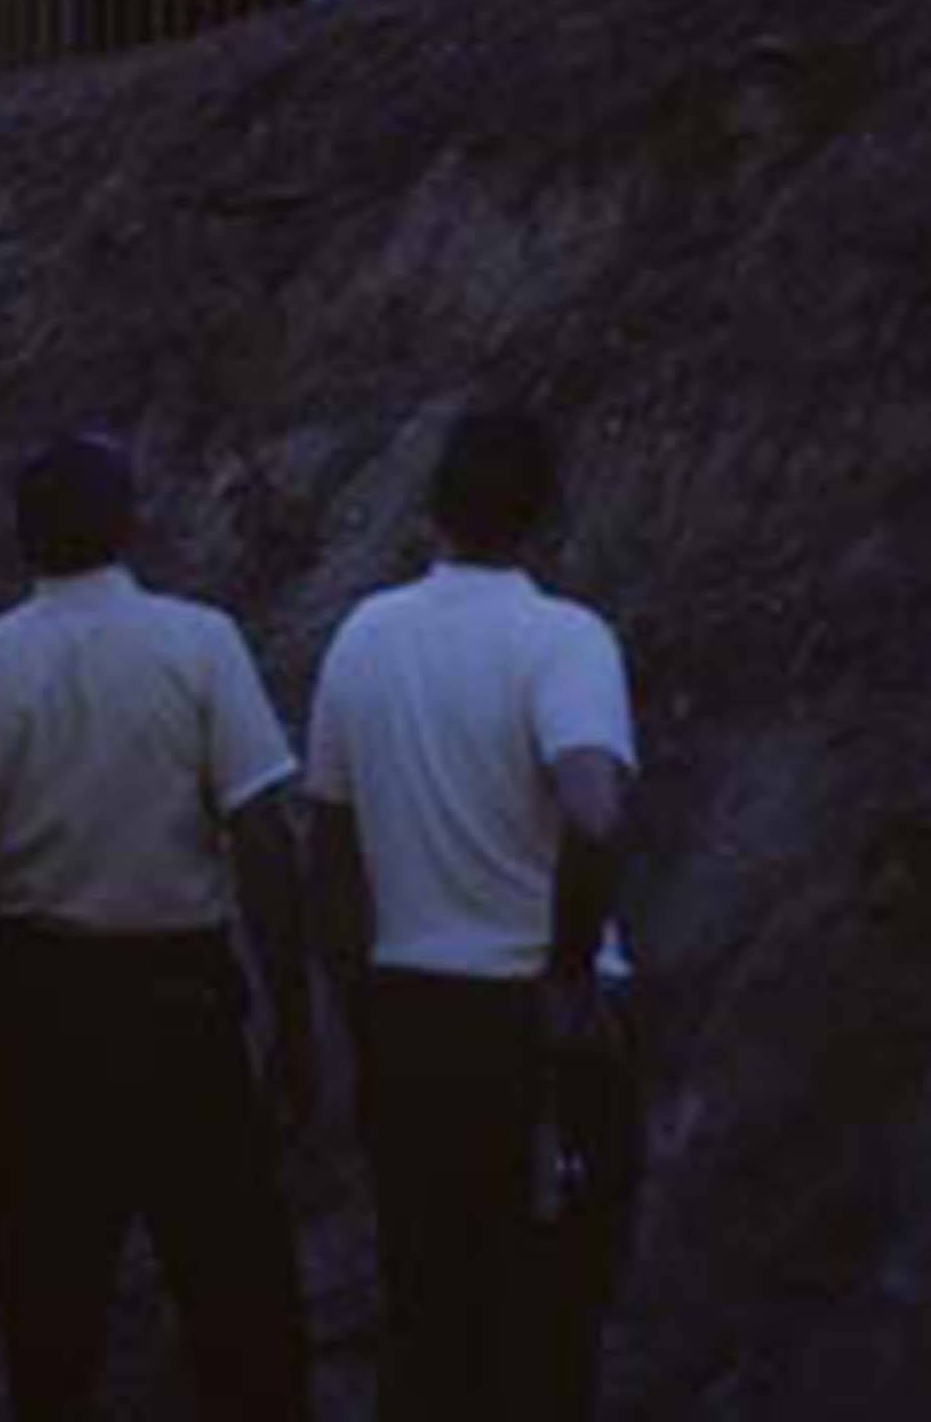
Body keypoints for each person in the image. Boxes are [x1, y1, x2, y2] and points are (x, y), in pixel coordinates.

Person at [0, 433, 314, 1422]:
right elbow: (261, 835)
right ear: (130, 523)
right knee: (239, 1299)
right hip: (179, 1001)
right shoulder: (199, 641)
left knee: (48, 1309)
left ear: (21, 539)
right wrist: (295, 1017)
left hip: (36, 1001)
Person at [299, 408, 645, 1422]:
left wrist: (356, 1005)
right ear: (548, 514)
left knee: (426, 1307)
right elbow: (594, 813)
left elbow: (329, 849)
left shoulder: (363, 637)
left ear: (433, 509)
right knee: (553, 1311)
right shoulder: (564, 639)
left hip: (413, 1013)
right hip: (542, 1022)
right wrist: (572, 971)